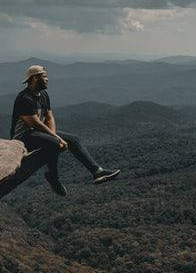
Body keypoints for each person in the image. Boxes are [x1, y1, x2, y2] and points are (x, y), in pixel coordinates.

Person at [10, 64, 120, 196]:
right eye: (44, 76)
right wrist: (56, 138)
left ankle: (97, 171)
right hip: (23, 138)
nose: (47, 79)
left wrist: (54, 135)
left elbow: (49, 117)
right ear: (34, 79)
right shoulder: (25, 98)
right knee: (55, 144)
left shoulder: (43, 95)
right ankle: (53, 177)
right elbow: (36, 123)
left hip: (37, 133)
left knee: (73, 139)